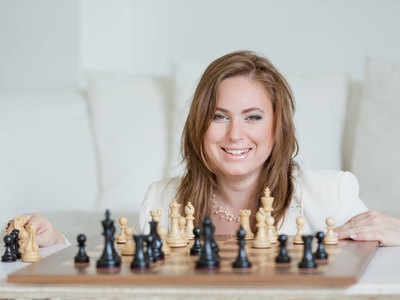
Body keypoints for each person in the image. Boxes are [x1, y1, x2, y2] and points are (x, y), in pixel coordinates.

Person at [5, 51, 400, 247]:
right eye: (219, 116)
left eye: (254, 117)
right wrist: (55, 243)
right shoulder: (162, 198)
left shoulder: (332, 193)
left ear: (279, 126)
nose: (235, 135)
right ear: (199, 125)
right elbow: (125, 279)